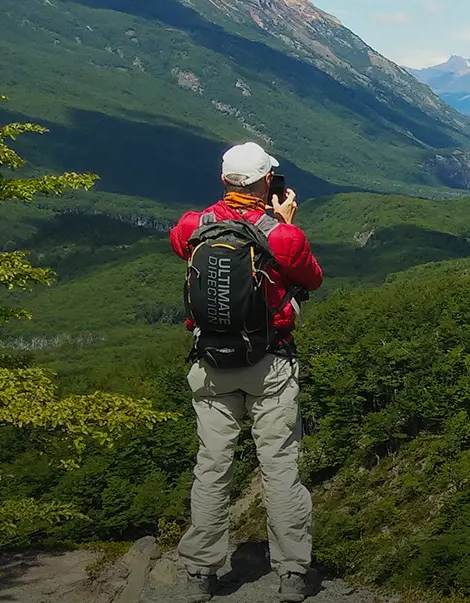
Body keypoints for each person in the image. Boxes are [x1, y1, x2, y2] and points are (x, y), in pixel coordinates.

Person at [167, 142, 323, 602]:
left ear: (223, 180)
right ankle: (292, 572)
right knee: (279, 467)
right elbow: (310, 277)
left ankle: (200, 572)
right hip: (269, 364)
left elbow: (182, 246)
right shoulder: (281, 236)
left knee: (212, 467)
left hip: (211, 365)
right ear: (265, 183)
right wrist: (286, 224)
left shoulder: (194, 226)